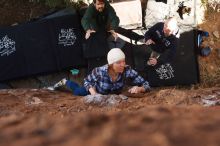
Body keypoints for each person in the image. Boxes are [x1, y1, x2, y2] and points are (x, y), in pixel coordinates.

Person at [53, 48, 151, 96]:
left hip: (110, 97)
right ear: (111, 64)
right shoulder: (100, 71)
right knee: (77, 91)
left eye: (124, 61)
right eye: (119, 62)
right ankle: (66, 81)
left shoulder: (127, 70)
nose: (123, 64)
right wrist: (94, 94)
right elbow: (87, 81)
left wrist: (140, 88)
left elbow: (146, 84)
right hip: (95, 91)